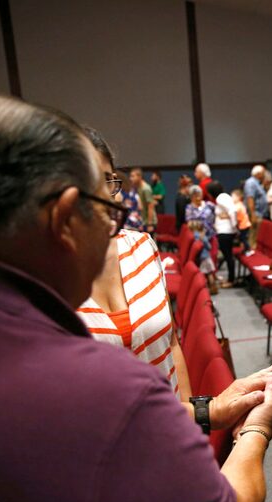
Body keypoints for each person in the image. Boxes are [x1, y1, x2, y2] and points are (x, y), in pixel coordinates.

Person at [0, 93, 272, 502]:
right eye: (101, 202)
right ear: (67, 216)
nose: (114, 220)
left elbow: (169, 345)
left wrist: (202, 412)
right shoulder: (107, 386)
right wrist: (257, 430)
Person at [76, 128, 191, 401]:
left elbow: (172, 344)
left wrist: (191, 422)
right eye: (90, 184)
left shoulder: (142, 246)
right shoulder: (43, 276)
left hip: (171, 426)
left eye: (110, 182)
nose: (108, 197)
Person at [185, 184, 218, 293]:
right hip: (198, 236)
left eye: (199, 194)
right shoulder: (189, 208)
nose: (198, 197)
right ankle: (208, 281)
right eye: (194, 195)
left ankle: (205, 282)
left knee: (207, 252)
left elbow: (218, 214)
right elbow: (189, 223)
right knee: (203, 252)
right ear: (191, 197)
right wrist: (199, 230)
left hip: (210, 235)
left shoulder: (209, 205)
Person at [211, 181, 237, 288]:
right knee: (227, 255)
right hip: (225, 230)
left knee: (228, 256)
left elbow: (232, 210)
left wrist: (235, 225)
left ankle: (231, 280)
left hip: (225, 231)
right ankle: (230, 278)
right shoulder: (224, 196)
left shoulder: (220, 198)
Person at [244, 165, 268, 247]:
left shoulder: (257, 183)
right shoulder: (251, 183)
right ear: (258, 173)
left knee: (256, 236)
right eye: (263, 173)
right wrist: (253, 214)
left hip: (259, 213)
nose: (264, 175)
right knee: (253, 236)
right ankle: (251, 251)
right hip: (255, 214)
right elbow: (250, 199)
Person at [131, 167, 157, 234]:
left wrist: (150, 224)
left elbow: (150, 206)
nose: (131, 178)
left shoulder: (146, 189)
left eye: (133, 176)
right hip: (143, 221)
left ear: (139, 177)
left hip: (149, 222)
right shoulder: (138, 187)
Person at [232, 188, 252, 254]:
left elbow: (234, 213)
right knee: (242, 238)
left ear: (239, 197)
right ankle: (246, 249)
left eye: (233, 197)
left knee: (243, 238)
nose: (232, 198)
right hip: (244, 224)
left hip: (244, 225)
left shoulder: (238, 206)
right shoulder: (240, 204)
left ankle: (249, 249)